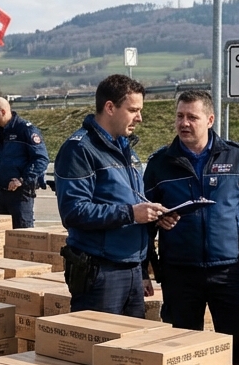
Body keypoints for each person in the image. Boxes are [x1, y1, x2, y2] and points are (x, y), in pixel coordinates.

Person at [143, 89, 239, 358]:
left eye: (192, 117)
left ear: (210, 120)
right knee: (181, 351)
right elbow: (144, 220)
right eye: (179, 116)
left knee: (235, 348)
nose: (184, 123)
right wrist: (147, 263)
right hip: (180, 273)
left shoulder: (237, 157)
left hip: (229, 272)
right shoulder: (159, 163)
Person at [53, 74, 165, 317]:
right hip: (100, 272)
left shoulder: (127, 151)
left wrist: (154, 214)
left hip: (132, 269)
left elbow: (131, 200)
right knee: (99, 348)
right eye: (133, 109)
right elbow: (73, 212)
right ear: (110, 107)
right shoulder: (79, 149)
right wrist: (131, 213)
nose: (140, 118)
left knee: (130, 351)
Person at [0, 97, 49, 228]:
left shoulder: (25, 130)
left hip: (20, 194)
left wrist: (22, 180)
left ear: (3, 112)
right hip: (1, 192)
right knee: (0, 236)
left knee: (23, 236)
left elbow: (41, 159)